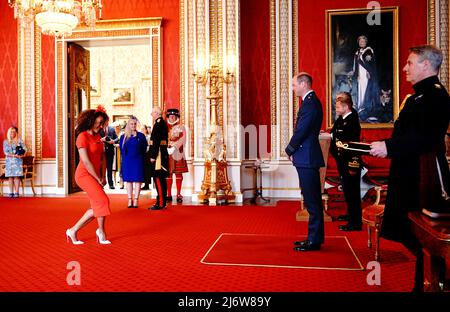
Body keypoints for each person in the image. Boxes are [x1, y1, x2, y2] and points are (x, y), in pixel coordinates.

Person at [370, 45, 450, 291]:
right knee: (413, 235)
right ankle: (426, 284)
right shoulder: (418, 96)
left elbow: (425, 137)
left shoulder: (435, 95)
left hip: (423, 177)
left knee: (422, 236)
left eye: (410, 63)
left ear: (426, 65)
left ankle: (434, 284)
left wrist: (389, 147)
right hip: (409, 172)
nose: (405, 67)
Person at [285, 72, 325, 251]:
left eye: (294, 85)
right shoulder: (310, 102)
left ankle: (314, 241)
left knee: (312, 201)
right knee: (310, 200)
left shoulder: (310, 104)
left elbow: (302, 130)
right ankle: (312, 237)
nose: (293, 88)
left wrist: (289, 149)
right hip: (306, 156)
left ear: (303, 84)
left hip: (307, 156)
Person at [66, 106, 111, 245]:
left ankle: (81, 231)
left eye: (102, 123)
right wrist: (97, 178)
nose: (99, 125)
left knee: (98, 204)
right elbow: (85, 161)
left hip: (96, 174)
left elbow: (102, 158)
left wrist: (103, 176)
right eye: (97, 123)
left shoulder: (98, 136)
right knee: (102, 201)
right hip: (84, 175)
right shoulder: (82, 136)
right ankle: (96, 232)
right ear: (90, 121)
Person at [329, 92, 362, 231]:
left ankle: (355, 223)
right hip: (342, 159)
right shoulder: (342, 118)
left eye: (337, 107)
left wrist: (333, 135)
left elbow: (344, 137)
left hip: (350, 161)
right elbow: (334, 132)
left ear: (346, 106)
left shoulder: (352, 119)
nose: (335, 109)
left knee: (352, 192)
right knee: (348, 190)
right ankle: (350, 215)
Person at [120, 116, 148, 208]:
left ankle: (136, 199)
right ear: (128, 125)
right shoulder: (123, 137)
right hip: (127, 161)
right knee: (128, 181)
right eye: (131, 124)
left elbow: (144, 148)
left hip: (138, 160)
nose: (133, 125)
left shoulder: (141, 136)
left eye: (135, 124)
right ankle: (129, 199)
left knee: (137, 180)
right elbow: (122, 149)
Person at [350, 35, 379, 119]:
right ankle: (360, 108)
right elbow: (356, 63)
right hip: (360, 74)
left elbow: (369, 63)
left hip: (366, 74)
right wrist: (354, 71)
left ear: (366, 42)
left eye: (363, 41)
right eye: (360, 41)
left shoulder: (368, 51)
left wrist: (369, 72)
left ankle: (366, 108)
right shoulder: (358, 51)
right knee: (360, 89)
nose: (361, 43)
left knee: (366, 89)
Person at [148, 106, 169, 210]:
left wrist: (152, 155)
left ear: (157, 113)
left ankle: (161, 203)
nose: (151, 115)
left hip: (158, 155)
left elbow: (156, 142)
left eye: (152, 113)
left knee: (158, 179)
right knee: (160, 179)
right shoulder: (161, 123)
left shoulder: (158, 124)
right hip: (161, 153)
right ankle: (161, 201)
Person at [166, 108, 188, 203]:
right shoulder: (165, 127)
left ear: (176, 117)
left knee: (178, 174)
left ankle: (179, 194)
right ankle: (169, 194)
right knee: (168, 174)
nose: (172, 118)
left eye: (173, 116)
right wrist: (166, 147)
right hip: (167, 153)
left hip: (178, 153)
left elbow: (183, 139)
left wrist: (174, 146)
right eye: (170, 116)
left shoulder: (181, 127)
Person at [2, 126, 27, 198]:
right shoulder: (5, 141)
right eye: (11, 132)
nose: (12, 133)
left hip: (18, 161)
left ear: (16, 133)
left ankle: (16, 192)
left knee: (17, 177)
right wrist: (14, 155)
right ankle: (11, 192)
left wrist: (23, 155)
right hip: (9, 161)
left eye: (14, 132)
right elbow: (5, 152)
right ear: (8, 133)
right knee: (10, 177)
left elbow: (25, 149)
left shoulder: (19, 141)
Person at [100, 121, 119, 189]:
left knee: (110, 168)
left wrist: (113, 141)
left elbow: (117, 138)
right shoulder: (99, 129)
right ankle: (101, 183)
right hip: (101, 151)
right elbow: (96, 139)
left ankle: (111, 184)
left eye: (107, 120)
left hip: (110, 151)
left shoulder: (112, 129)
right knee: (101, 168)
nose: (106, 122)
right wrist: (101, 140)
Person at [140, 124, 152, 190]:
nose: (142, 130)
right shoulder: (140, 136)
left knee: (147, 170)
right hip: (141, 155)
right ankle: (143, 183)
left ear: (146, 130)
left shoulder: (148, 137)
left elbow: (149, 146)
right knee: (142, 170)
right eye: (141, 129)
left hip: (146, 155)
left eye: (143, 129)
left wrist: (143, 149)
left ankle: (147, 184)